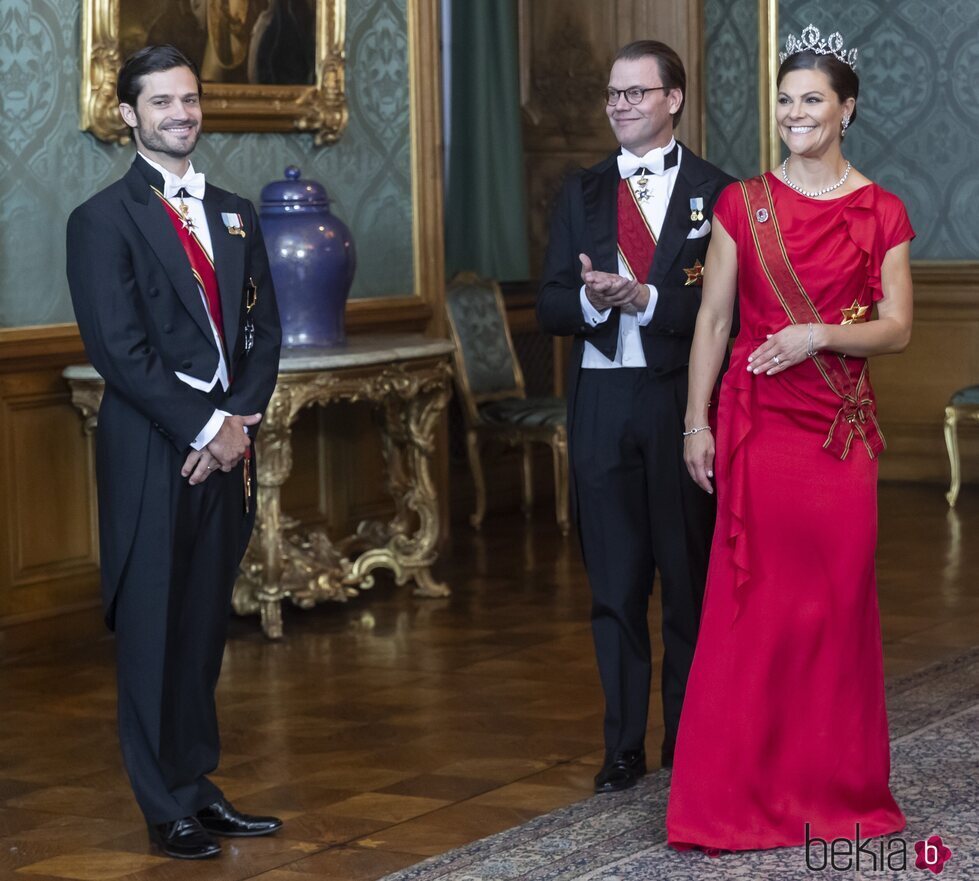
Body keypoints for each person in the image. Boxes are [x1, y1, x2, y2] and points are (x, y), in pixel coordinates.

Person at [666, 25, 913, 851]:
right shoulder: (742, 204)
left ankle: (831, 789)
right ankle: (738, 795)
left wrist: (818, 336)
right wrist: (696, 421)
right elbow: (711, 320)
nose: (793, 114)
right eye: (783, 101)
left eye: (810, 100)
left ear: (846, 108)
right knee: (757, 610)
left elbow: (899, 327)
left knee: (835, 608)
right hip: (761, 428)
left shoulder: (882, 210)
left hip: (839, 435)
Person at [66, 45, 283, 860]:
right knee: (154, 628)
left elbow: (263, 330)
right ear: (129, 116)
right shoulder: (100, 220)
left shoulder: (234, 211)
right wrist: (205, 428)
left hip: (225, 447)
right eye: (160, 103)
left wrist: (238, 424)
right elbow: (120, 351)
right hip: (156, 450)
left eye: (188, 100)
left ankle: (196, 784)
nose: (180, 115)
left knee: (200, 627)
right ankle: (163, 807)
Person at [537, 40, 734, 793]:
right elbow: (552, 302)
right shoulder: (580, 191)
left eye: (635, 93)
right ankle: (622, 745)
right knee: (614, 587)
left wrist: (644, 299)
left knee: (685, 583)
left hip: (679, 405)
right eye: (612, 94)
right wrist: (592, 297)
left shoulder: (717, 193)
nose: (619, 105)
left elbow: (729, 310)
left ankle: (687, 740)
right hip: (599, 406)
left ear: (673, 99)